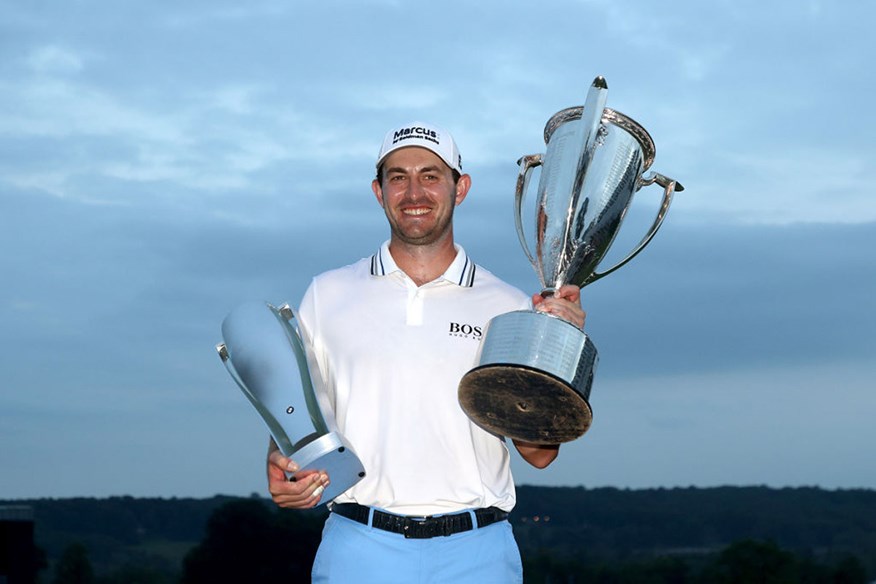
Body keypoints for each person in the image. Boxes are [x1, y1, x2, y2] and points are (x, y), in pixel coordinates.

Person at [267, 122, 585, 583]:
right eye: (398, 177)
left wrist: (559, 347)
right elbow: (295, 416)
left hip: (477, 553)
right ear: (379, 191)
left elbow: (539, 453)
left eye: (431, 175)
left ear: (461, 187)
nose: (414, 191)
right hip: (359, 547)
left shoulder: (509, 304)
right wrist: (279, 465)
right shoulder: (328, 293)